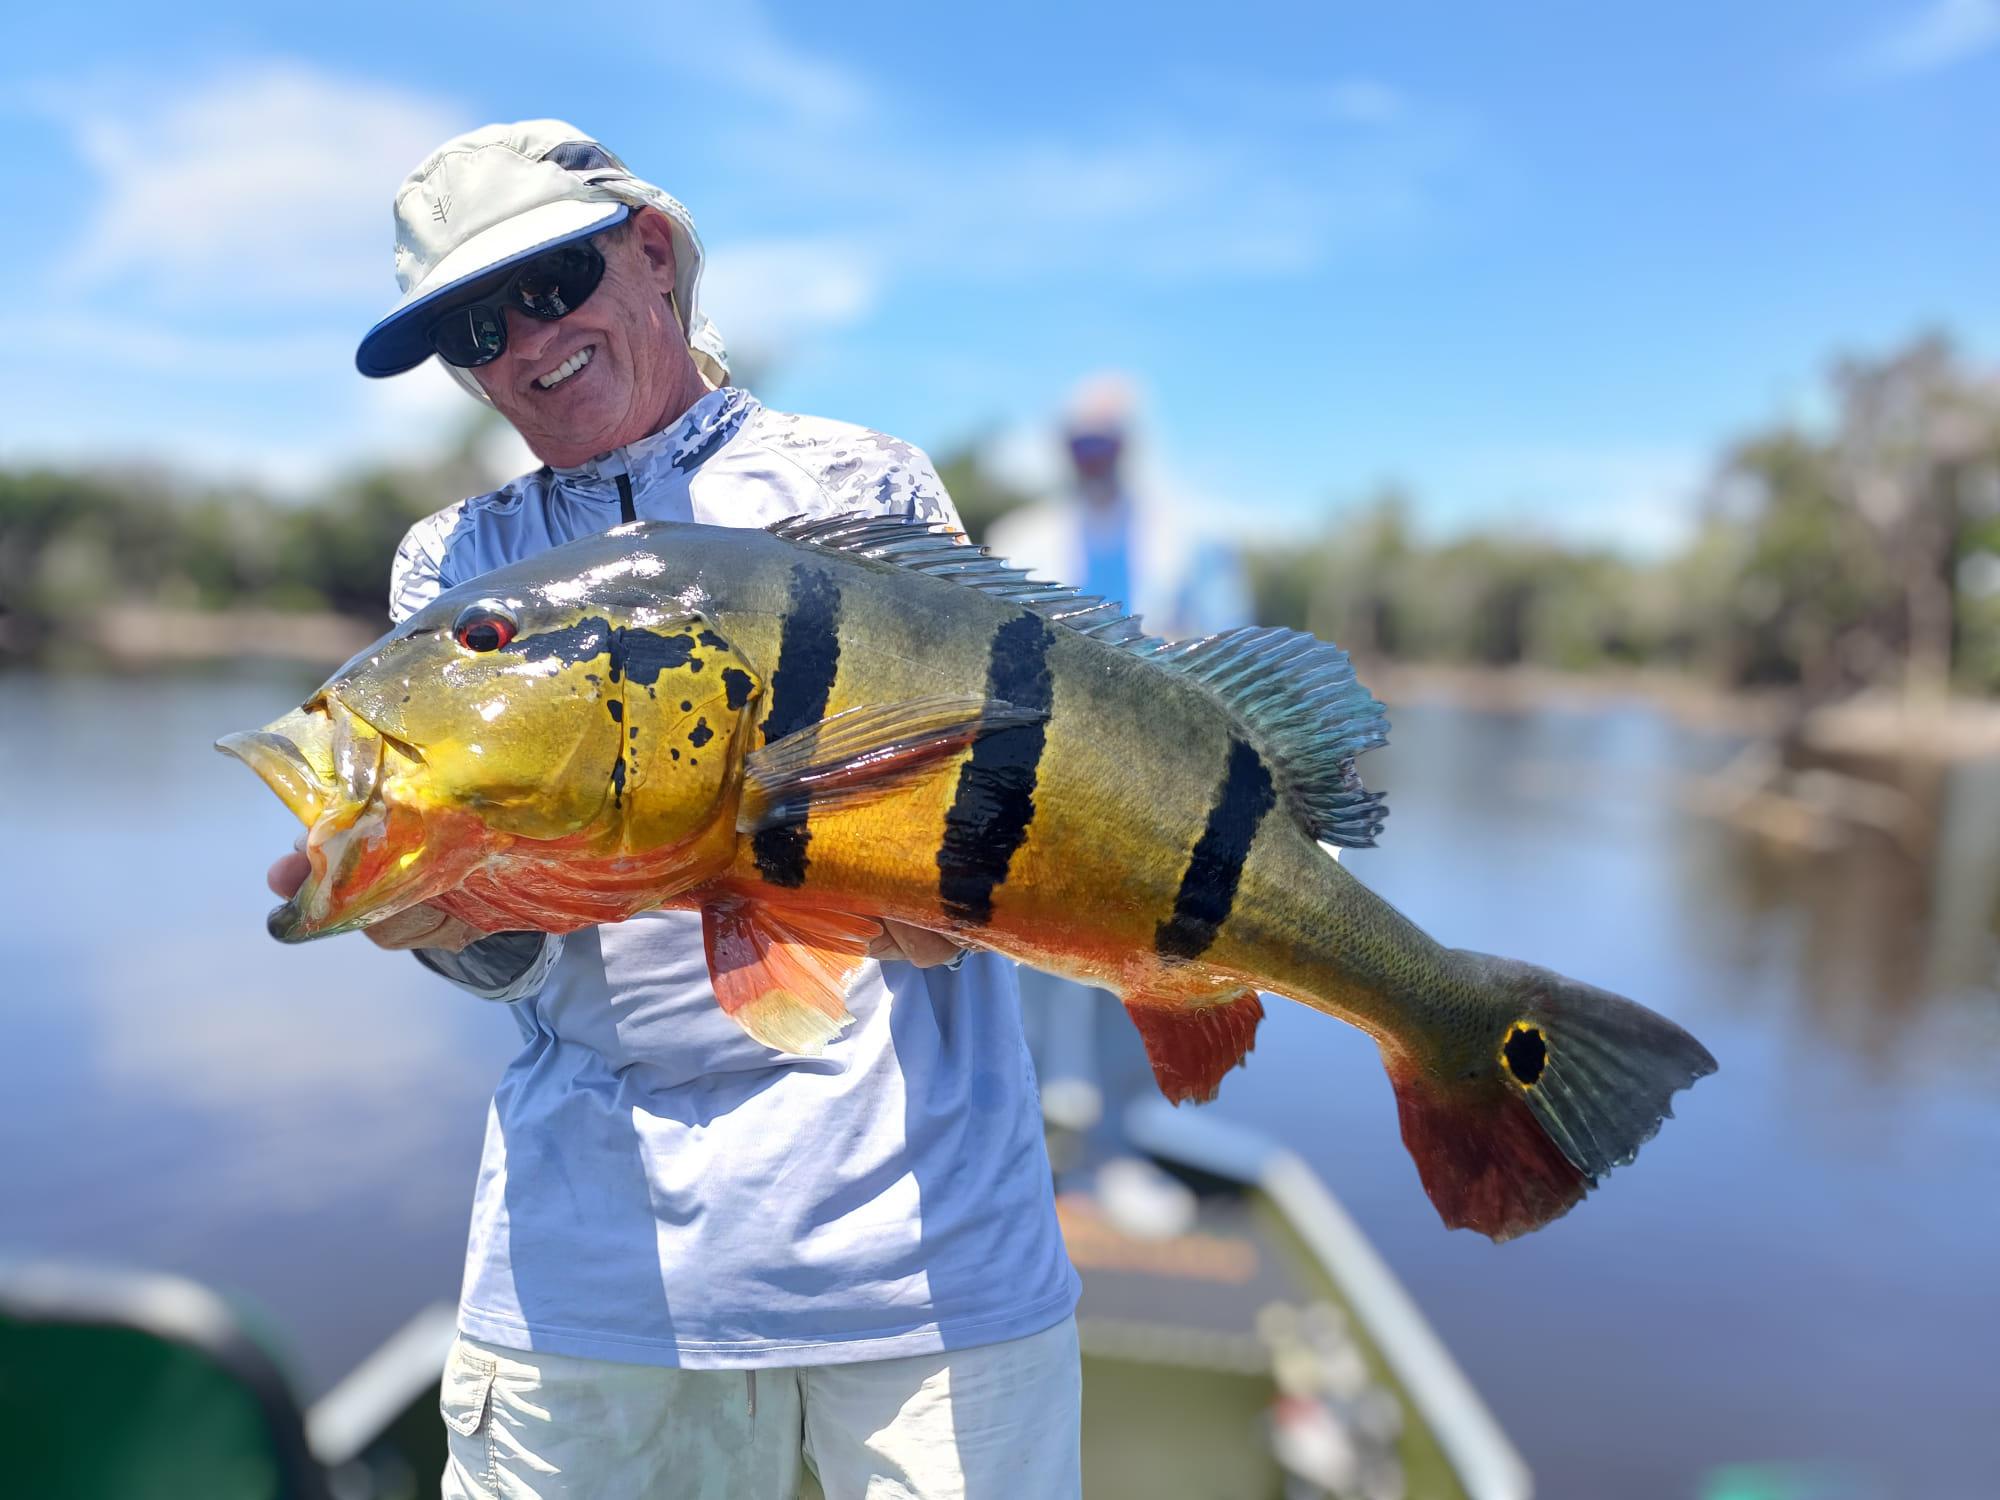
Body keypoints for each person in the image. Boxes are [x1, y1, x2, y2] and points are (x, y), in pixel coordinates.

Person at [267, 119, 1080, 1499]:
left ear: (651, 252)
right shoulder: (456, 571)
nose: (525, 344)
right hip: (591, 1277)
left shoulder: (862, 489)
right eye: (474, 328)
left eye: (549, 283)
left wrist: (926, 897)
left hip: (920, 1262)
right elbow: (510, 959)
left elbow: (990, 828)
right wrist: (434, 913)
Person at [988, 376, 1252, 1132]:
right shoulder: (1020, 536)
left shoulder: (1192, 540)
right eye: (1081, 443)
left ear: (1131, 446)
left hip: (1159, 794)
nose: (1093, 457)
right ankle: (1034, 1129)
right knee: (1032, 954)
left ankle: (1121, 1142)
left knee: (1146, 960)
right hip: (1045, 788)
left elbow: (1230, 655)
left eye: (1105, 443)